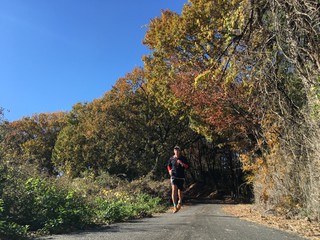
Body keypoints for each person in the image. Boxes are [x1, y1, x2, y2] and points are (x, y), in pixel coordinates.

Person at [167, 145, 189, 213]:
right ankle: (174, 206)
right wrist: (169, 171)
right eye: (175, 150)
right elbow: (168, 166)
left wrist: (182, 163)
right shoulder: (171, 159)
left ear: (179, 151)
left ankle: (180, 202)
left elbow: (187, 167)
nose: (176, 151)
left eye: (178, 150)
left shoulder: (183, 158)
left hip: (181, 177)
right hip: (174, 176)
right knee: (174, 190)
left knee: (180, 192)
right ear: (174, 151)